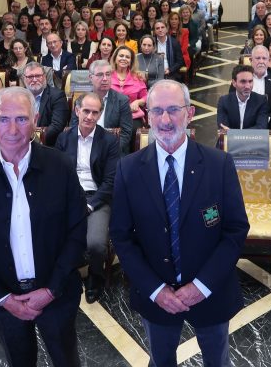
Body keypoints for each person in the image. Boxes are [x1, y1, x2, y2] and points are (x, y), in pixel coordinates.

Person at [110, 79, 249, 367]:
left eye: (173, 109)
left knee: (217, 360)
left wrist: (202, 285)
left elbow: (235, 230)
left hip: (210, 293)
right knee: (161, 361)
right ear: (147, 116)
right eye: (157, 110)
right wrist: (155, 290)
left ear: (191, 113)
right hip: (157, 296)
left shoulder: (219, 164)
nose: (165, 119)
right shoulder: (129, 168)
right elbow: (122, 238)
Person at [0, 86, 87, 365]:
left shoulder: (60, 165)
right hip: (4, 298)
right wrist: (2, 298)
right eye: (3, 119)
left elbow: (76, 233)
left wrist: (51, 289)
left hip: (57, 293)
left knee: (66, 358)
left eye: (22, 119)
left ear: (36, 120)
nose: (12, 129)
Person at [55, 93, 119, 303]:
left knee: (95, 244)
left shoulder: (109, 141)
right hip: (69, 195)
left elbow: (110, 181)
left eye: (95, 112)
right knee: (51, 233)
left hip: (97, 197)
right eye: (86, 111)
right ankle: (60, 275)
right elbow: (57, 174)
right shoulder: (64, 137)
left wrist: (90, 205)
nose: (90, 116)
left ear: (100, 114)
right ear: (77, 110)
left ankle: (95, 276)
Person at [110, 46, 148, 149]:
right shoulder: (107, 76)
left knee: (134, 133)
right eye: (121, 55)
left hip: (133, 116)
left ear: (131, 61)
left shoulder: (137, 77)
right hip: (111, 116)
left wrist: (138, 102)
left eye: (127, 57)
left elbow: (146, 96)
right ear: (115, 58)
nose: (124, 58)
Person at [217, 65, 269, 130]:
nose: (247, 86)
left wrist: (234, 134)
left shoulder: (261, 100)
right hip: (229, 140)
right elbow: (223, 129)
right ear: (234, 83)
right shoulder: (224, 101)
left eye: (250, 81)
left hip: (253, 140)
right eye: (243, 81)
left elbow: (261, 128)